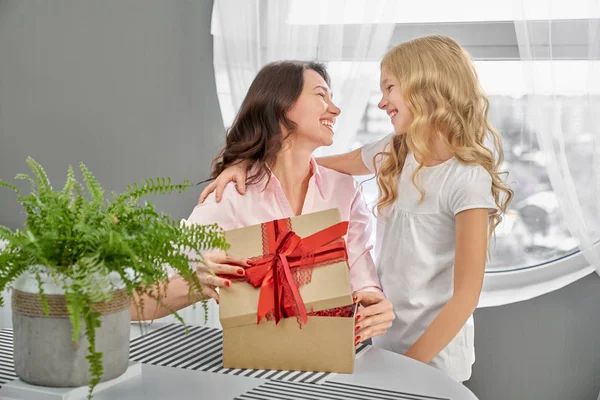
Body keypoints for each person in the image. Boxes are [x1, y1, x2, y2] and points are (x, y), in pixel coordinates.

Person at [198, 35, 514, 382]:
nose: (381, 103)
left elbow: (465, 297)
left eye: (389, 87)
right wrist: (246, 163)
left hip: (435, 357)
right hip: (385, 341)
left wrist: (411, 367)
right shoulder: (397, 151)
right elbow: (318, 164)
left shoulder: (467, 180)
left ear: (425, 84)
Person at [131, 60, 395, 346]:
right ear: (281, 105)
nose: (335, 109)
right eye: (321, 95)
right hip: (256, 365)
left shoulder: (345, 190)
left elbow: (362, 277)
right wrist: (197, 283)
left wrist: (376, 304)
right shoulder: (232, 196)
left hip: (335, 359)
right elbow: (141, 301)